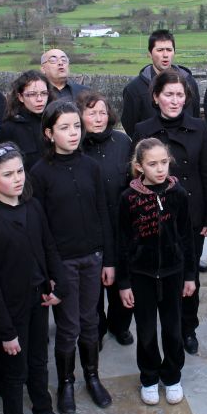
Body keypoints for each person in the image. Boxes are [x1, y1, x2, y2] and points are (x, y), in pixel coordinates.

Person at [0, 143, 76, 414]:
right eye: (8, 174)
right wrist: (5, 332)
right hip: (10, 309)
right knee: (14, 372)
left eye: (19, 171)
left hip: (37, 300)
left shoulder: (32, 207)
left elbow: (49, 248)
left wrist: (61, 285)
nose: (17, 179)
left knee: (38, 362)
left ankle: (43, 412)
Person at [30, 101, 114, 412]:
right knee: (68, 327)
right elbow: (40, 228)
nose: (73, 133)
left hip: (92, 257)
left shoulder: (91, 166)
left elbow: (102, 212)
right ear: (49, 133)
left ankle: (92, 376)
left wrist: (109, 259)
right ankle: (66, 383)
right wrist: (51, 273)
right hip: (62, 263)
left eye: (76, 126)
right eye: (64, 128)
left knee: (91, 320)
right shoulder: (40, 173)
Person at [133, 69, 207, 356]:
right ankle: (161, 326)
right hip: (154, 215)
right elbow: (134, 177)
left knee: (188, 273)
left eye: (180, 95)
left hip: (190, 214)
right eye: (168, 94)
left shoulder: (199, 127)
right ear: (156, 97)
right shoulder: (144, 130)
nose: (174, 100)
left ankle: (187, 327)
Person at [117, 137, 195, 406]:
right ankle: (149, 377)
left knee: (173, 329)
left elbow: (187, 238)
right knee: (147, 331)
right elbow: (123, 242)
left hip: (173, 274)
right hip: (142, 276)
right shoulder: (128, 199)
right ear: (139, 166)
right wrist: (124, 282)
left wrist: (190, 276)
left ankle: (172, 376)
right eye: (153, 164)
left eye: (164, 162)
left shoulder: (178, 194)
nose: (160, 169)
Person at [77, 90, 134, 348]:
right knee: (94, 286)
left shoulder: (123, 142)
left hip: (123, 224)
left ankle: (120, 325)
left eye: (102, 112)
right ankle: (97, 328)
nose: (99, 118)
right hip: (91, 227)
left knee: (124, 279)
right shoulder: (76, 148)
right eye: (91, 113)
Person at [120, 29, 201, 137]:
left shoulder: (189, 82)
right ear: (149, 53)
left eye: (169, 50)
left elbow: (194, 116)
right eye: (160, 50)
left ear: (174, 52)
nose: (165, 55)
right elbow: (130, 125)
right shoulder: (135, 89)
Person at [0, 70, 54, 171]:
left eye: (44, 93)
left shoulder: (54, 121)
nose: (40, 99)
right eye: (32, 94)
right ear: (20, 97)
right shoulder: (9, 127)